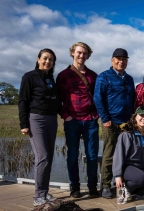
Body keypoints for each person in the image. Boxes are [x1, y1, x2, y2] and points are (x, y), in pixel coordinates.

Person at [56, 42, 99, 198]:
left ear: (88, 55)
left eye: (85, 53)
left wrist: (96, 115)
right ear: (72, 53)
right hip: (72, 121)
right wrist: (65, 115)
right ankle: (75, 187)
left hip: (90, 121)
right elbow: (57, 99)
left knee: (92, 155)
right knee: (73, 155)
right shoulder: (63, 75)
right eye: (79, 52)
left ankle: (92, 187)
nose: (81, 55)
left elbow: (98, 97)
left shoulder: (93, 76)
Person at [18, 48, 61, 206]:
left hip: (51, 119)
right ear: (38, 59)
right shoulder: (29, 76)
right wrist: (24, 124)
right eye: (45, 58)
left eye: (51, 60)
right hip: (36, 119)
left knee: (48, 158)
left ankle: (44, 191)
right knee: (42, 157)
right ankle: (38, 197)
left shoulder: (51, 79)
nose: (48, 62)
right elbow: (23, 100)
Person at [94, 48, 135, 198]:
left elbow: (132, 100)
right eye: (118, 59)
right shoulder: (104, 77)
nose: (121, 61)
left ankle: (122, 185)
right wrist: (105, 119)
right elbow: (98, 99)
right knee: (109, 154)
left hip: (126, 123)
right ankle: (105, 185)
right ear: (112, 60)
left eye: (124, 59)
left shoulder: (129, 79)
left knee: (126, 154)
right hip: (111, 123)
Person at [112, 106, 144, 204]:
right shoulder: (127, 134)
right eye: (141, 115)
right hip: (128, 167)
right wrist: (117, 175)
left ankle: (134, 191)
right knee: (141, 178)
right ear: (135, 117)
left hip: (142, 168)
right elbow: (119, 155)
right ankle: (125, 188)